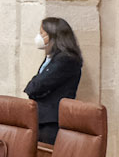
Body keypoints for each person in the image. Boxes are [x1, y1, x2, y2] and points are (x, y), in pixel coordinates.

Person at [22, 16, 84, 145]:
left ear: (53, 36)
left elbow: (36, 86)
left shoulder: (66, 59)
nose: (39, 37)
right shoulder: (51, 57)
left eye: (42, 33)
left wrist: (34, 85)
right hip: (41, 118)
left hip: (52, 121)